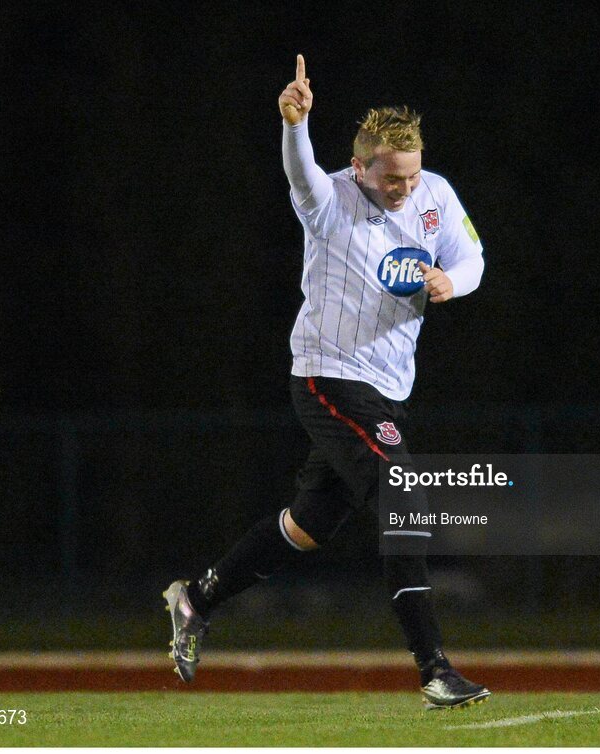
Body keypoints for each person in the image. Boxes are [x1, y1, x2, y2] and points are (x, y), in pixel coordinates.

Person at [163, 54, 489, 709]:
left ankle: (195, 599)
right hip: (328, 377)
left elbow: (472, 255)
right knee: (404, 493)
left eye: (411, 176)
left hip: (388, 385)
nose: (404, 189)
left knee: (308, 525)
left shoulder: (435, 193)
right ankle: (433, 668)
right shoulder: (329, 198)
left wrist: (453, 280)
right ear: (361, 165)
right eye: (392, 178)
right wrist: (294, 125)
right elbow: (301, 173)